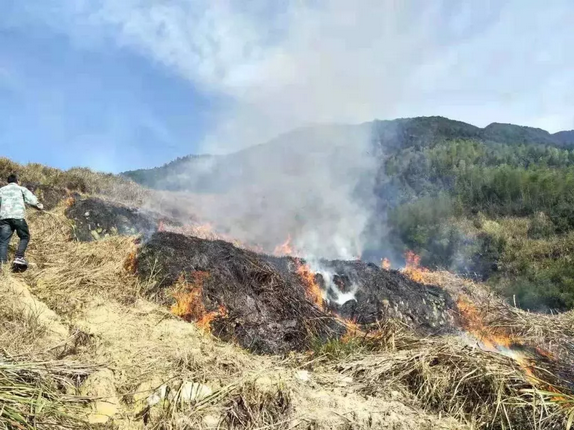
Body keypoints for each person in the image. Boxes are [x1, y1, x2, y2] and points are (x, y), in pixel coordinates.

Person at [0, 174, 43, 267]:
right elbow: (32, 200)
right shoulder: (21, 189)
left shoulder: (1, 190)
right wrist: (39, 206)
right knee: (25, 236)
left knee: (3, 242)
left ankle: (2, 265)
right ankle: (19, 257)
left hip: (4, 218)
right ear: (17, 181)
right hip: (17, 216)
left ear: (8, 182)